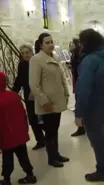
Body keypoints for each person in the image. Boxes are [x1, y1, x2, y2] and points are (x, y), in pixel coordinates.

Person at [75, 29, 104, 182]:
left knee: (97, 139)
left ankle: (102, 171)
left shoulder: (90, 60)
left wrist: (79, 113)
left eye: (81, 42)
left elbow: (83, 89)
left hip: (92, 107)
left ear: (87, 43)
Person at [0, 71, 37, 185]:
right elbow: (23, 114)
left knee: (7, 160)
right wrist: (25, 131)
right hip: (19, 135)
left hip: (7, 138)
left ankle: (6, 180)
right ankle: (30, 175)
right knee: (23, 156)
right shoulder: (13, 95)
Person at [29, 33, 70, 168]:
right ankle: (51, 158)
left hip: (57, 100)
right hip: (47, 103)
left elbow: (61, 77)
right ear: (40, 45)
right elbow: (34, 84)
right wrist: (44, 101)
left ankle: (56, 154)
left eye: (52, 41)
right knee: (49, 130)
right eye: (47, 42)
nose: (51, 44)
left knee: (55, 128)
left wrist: (66, 92)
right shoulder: (36, 59)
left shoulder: (56, 57)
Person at [12, 44, 45, 150]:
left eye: (27, 52)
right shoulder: (21, 65)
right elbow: (20, 78)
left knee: (44, 118)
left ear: (31, 52)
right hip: (29, 96)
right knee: (32, 119)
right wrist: (14, 91)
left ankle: (49, 138)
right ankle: (40, 141)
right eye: (23, 53)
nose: (25, 55)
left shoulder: (37, 62)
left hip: (40, 94)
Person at [69, 38, 85, 137]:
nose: (70, 45)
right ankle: (82, 126)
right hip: (77, 81)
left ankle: (81, 127)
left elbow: (80, 70)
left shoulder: (79, 55)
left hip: (80, 83)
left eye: (71, 44)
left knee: (80, 105)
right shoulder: (75, 54)